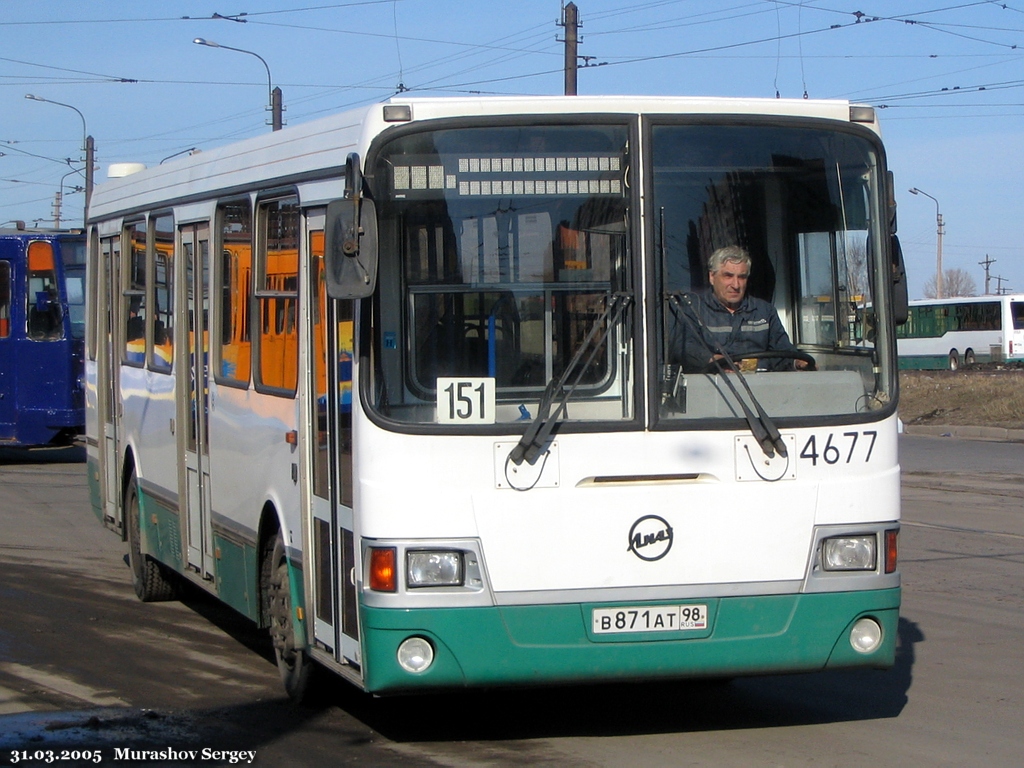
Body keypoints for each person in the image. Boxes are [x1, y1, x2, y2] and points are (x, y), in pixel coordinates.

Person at [674, 245, 807, 372]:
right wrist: (714, 360)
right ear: (712, 277)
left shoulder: (764, 312)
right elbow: (683, 347)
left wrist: (797, 362)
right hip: (713, 388)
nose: (736, 285)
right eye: (728, 276)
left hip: (760, 387)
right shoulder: (693, 309)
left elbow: (782, 351)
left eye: (742, 277)